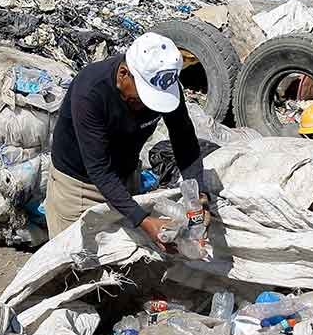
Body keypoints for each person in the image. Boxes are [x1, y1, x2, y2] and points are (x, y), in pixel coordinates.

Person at [47, 32, 206, 244]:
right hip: (80, 187)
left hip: (125, 178)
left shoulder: (164, 84)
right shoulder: (91, 92)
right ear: (123, 74)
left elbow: (184, 139)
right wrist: (143, 220)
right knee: (74, 260)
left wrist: (197, 197)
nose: (148, 107)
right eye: (141, 99)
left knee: (126, 259)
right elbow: (99, 169)